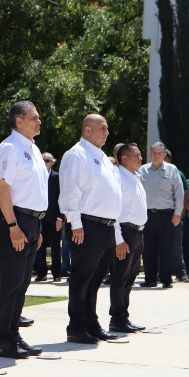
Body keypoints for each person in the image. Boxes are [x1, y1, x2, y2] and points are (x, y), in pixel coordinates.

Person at [59, 114, 122, 344]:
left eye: (107, 128)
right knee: (82, 278)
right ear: (87, 130)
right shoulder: (77, 154)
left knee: (95, 280)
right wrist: (76, 224)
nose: (106, 132)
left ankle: (91, 323)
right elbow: (70, 191)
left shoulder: (102, 157)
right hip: (87, 225)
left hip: (106, 226)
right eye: (102, 128)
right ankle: (76, 326)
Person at [0, 101, 46, 359]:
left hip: (32, 222)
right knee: (12, 282)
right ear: (19, 121)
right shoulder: (10, 147)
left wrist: (37, 227)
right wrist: (13, 225)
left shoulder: (32, 148)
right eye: (34, 118)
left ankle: (13, 334)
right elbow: (2, 188)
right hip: (17, 219)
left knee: (22, 282)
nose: (39, 121)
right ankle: (4, 340)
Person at [109, 143, 147, 333]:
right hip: (125, 232)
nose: (140, 158)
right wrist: (119, 239)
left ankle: (124, 316)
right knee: (120, 277)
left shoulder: (135, 177)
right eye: (136, 155)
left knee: (130, 277)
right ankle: (117, 318)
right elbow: (114, 211)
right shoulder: (118, 177)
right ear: (124, 158)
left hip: (137, 233)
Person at [138, 142, 185, 288]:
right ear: (150, 154)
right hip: (147, 216)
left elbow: (179, 193)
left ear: (164, 155)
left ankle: (166, 279)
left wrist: (178, 213)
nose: (156, 155)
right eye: (154, 152)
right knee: (148, 249)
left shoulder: (172, 170)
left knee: (167, 249)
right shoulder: (142, 170)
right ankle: (150, 279)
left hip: (167, 215)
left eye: (159, 153)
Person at [34, 152, 63, 282]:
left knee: (56, 247)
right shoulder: (36, 176)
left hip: (54, 218)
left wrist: (60, 218)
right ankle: (41, 273)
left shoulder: (57, 177)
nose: (44, 162)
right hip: (39, 218)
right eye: (42, 160)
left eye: (47, 160)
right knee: (39, 247)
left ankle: (57, 274)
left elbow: (61, 198)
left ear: (52, 163)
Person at [164, 149, 189, 282]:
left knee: (176, 245)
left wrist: (181, 210)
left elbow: (185, 191)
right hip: (157, 215)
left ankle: (181, 272)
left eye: (165, 157)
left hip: (174, 213)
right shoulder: (149, 171)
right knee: (158, 245)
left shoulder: (177, 172)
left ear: (169, 159)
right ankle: (160, 272)